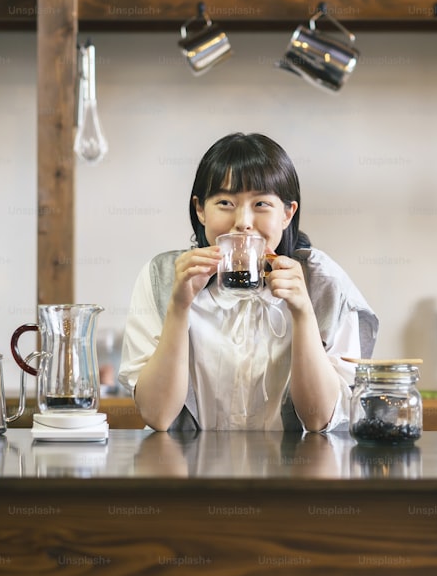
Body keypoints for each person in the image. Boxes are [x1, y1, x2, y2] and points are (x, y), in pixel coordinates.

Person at [118, 132, 377, 432]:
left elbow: (319, 418)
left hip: (297, 473)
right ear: (200, 210)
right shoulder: (162, 277)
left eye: (261, 204)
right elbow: (157, 415)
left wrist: (303, 312)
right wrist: (179, 306)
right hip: (188, 472)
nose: (243, 221)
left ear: (287, 214)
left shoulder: (323, 282)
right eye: (225, 202)